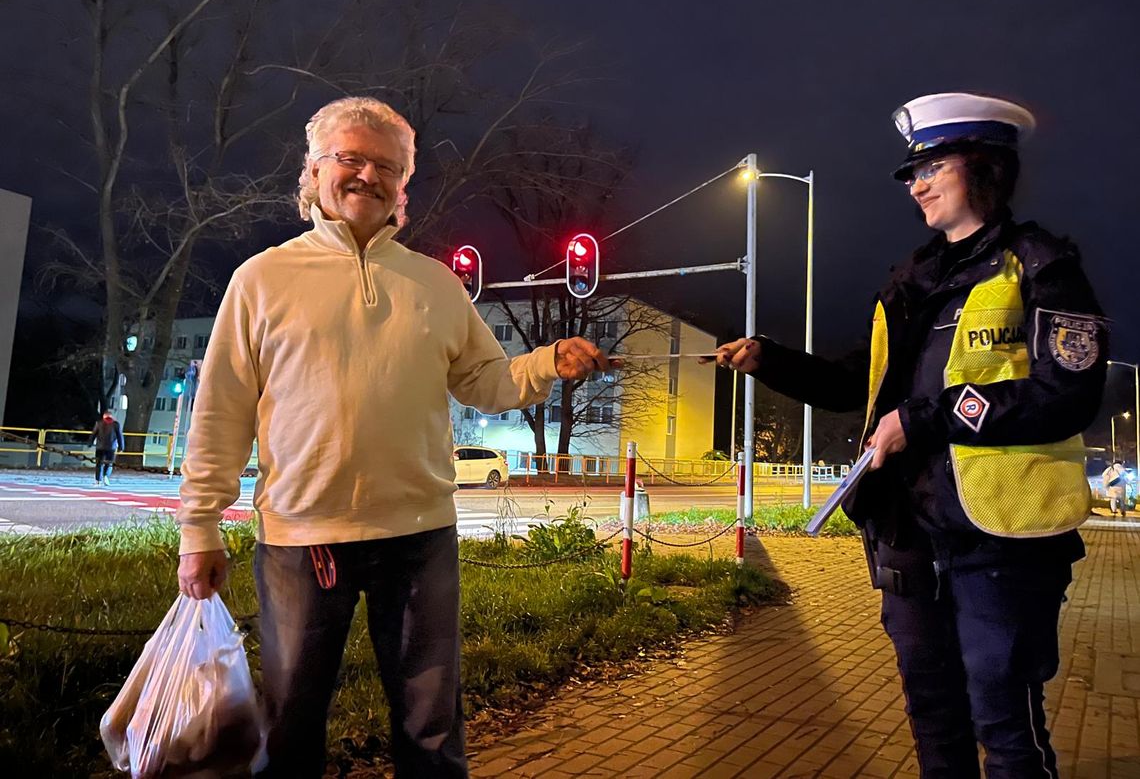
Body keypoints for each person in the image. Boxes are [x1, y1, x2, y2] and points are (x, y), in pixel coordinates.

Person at [175, 96, 612, 778]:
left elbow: (484, 380)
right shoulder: (260, 281)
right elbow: (221, 413)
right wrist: (198, 526)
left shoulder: (435, 284)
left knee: (431, 728)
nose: (367, 175)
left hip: (419, 538)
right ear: (314, 171)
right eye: (350, 158)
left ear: (403, 186)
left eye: (388, 166)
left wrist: (546, 361)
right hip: (302, 538)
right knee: (290, 724)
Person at [714, 93, 1108, 778]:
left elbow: (1066, 392)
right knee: (933, 717)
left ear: (983, 167)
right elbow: (854, 389)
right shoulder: (911, 282)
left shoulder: (1040, 266)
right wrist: (769, 359)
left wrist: (926, 419)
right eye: (910, 172)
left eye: (933, 166)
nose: (916, 183)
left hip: (998, 541)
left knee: (1005, 723)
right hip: (908, 535)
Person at [91, 409, 124, 486]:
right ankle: (106, 477)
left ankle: (98, 480)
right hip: (111, 447)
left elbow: (94, 434)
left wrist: (90, 442)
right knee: (109, 463)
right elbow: (119, 436)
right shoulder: (116, 424)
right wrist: (121, 447)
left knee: (99, 464)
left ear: (104, 416)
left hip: (100, 447)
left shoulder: (99, 423)